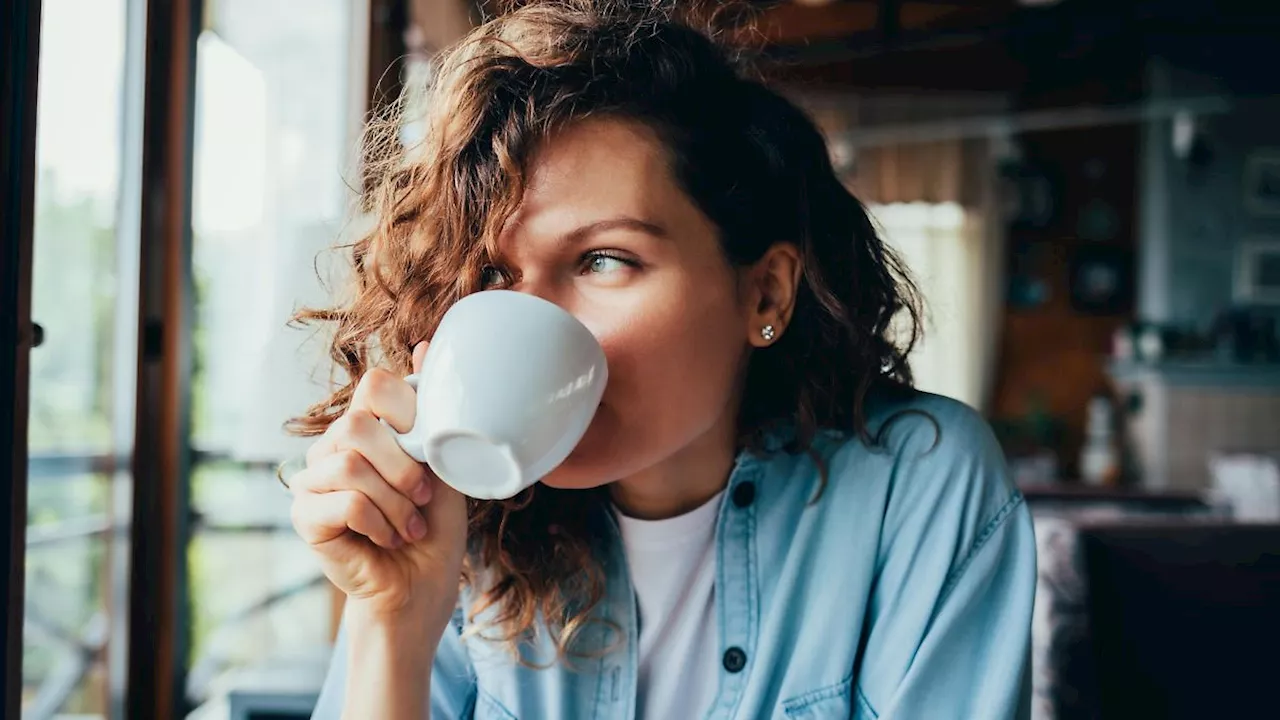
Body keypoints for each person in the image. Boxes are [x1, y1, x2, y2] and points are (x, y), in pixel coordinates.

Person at [290, 1, 1036, 718]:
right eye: (492, 276)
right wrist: (393, 624)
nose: (531, 317)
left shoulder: (916, 486)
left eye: (604, 260)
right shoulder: (455, 523)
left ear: (765, 296)